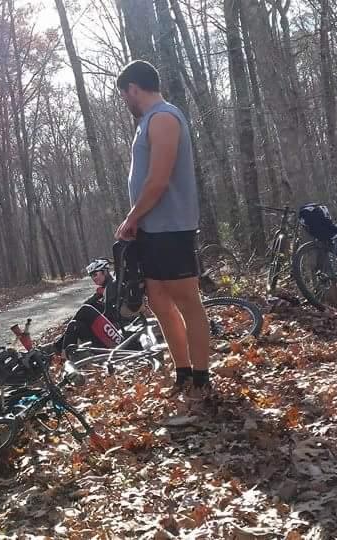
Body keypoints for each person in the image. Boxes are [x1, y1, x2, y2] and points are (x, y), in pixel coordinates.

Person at [114, 60, 211, 397]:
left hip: (172, 228)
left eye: (124, 94)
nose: (125, 101)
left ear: (133, 89)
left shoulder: (164, 118)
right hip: (152, 231)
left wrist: (132, 217)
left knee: (187, 301)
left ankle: (201, 378)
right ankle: (182, 372)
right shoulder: (147, 123)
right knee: (158, 300)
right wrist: (138, 222)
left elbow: (158, 180)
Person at [54, 258, 127, 355]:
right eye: (91, 276)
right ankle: (63, 355)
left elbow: (109, 314)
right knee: (74, 325)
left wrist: (90, 319)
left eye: (95, 274)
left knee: (86, 310)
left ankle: (58, 348)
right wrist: (96, 297)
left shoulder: (112, 286)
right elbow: (88, 303)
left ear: (105, 272)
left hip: (115, 333)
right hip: (107, 332)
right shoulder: (103, 290)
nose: (93, 278)